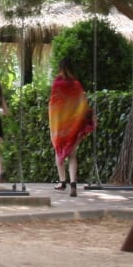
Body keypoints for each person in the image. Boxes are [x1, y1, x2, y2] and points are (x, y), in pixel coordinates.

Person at [48, 56, 93, 197]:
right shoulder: (76, 85)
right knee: (73, 155)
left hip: (60, 126)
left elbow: (53, 105)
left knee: (58, 152)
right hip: (73, 126)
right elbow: (83, 105)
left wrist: (55, 121)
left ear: (60, 68)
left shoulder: (57, 84)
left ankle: (62, 182)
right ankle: (73, 184)